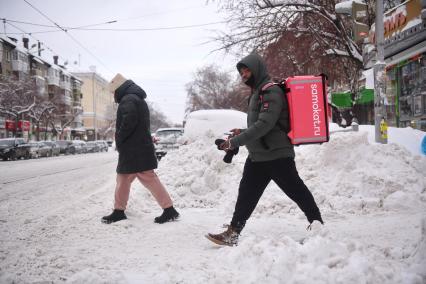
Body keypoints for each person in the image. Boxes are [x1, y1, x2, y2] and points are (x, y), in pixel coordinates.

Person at [206, 53, 323, 246]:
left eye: (247, 70)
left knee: (296, 191)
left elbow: (265, 125)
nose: (244, 74)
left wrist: (235, 143)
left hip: (277, 154)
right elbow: (262, 125)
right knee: (246, 195)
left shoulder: (271, 91)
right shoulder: (257, 92)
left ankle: (318, 224)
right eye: (241, 71)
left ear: (257, 69)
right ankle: (233, 233)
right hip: (259, 155)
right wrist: (241, 132)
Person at [102, 74, 179, 224]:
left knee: (128, 179)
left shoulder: (128, 99)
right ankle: (120, 210)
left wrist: (119, 137)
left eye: (113, 92)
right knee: (128, 179)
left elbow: (129, 120)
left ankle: (168, 210)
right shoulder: (135, 98)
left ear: (118, 89)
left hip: (133, 150)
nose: (113, 95)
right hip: (138, 148)